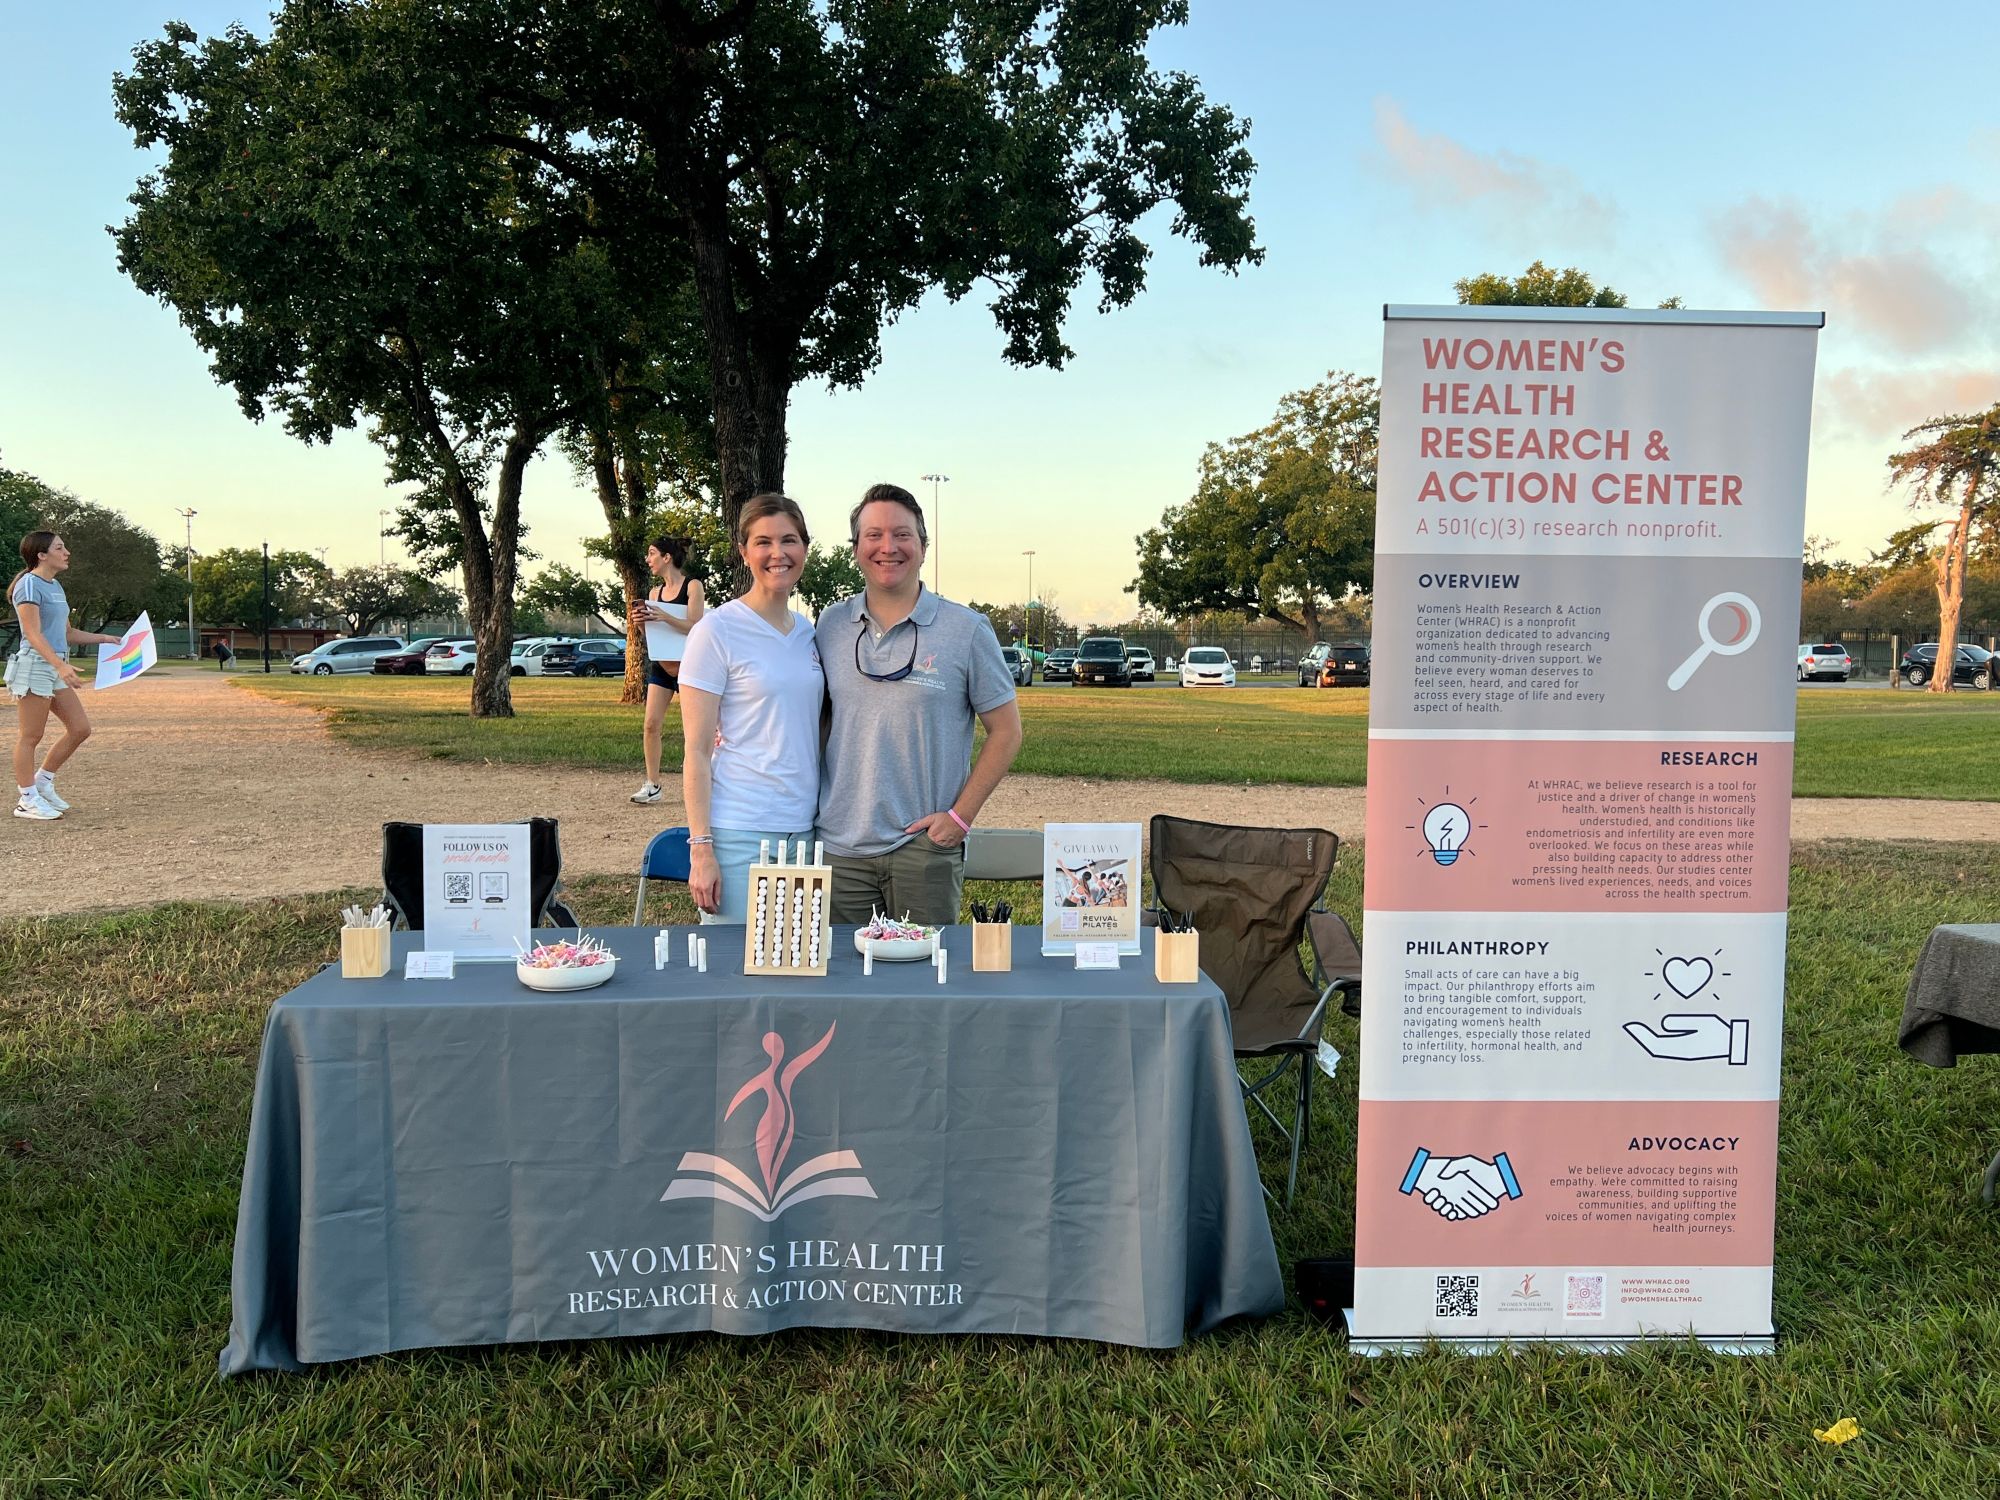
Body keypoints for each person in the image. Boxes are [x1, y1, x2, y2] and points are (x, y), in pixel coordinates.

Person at [816, 483, 1023, 925]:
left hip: (924, 850)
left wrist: (959, 819)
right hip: (840, 850)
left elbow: (1007, 732)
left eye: (902, 534)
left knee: (926, 969)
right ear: (856, 548)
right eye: (873, 535)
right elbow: (813, 717)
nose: (887, 547)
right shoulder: (830, 625)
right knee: (844, 970)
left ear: (924, 547)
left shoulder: (966, 629)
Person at [677, 496, 825, 922]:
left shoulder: (808, 633)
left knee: (796, 959)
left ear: (804, 548)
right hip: (739, 834)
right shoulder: (716, 630)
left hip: (804, 833)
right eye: (763, 542)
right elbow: (696, 751)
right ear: (744, 552)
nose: (778, 553)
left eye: (789, 540)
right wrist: (701, 848)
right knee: (733, 962)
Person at [6, 532, 119, 821]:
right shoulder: (28, 585)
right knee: (31, 735)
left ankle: (42, 783)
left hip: (54, 664)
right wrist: (59, 665)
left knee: (80, 728)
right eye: (59, 547)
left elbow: (67, 633)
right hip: (35, 665)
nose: (67, 551)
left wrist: (105, 639)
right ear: (41, 555)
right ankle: (27, 800)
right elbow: (32, 633)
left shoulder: (55, 586)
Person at [629, 535, 706, 805]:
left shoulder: (693, 586)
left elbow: (697, 625)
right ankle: (653, 785)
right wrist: (641, 623)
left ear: (667, 557)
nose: (648, 559)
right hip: (662, 666)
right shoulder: (654, 594)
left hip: (690, 667)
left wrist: (664, 616)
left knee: (694, 730)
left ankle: (700, 784)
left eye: (652, 553)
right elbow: (653, 636)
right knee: (651, 725)